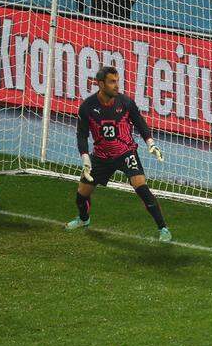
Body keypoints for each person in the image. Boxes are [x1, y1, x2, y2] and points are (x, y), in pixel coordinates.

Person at [65, 66, 171, 241]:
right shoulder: (87, 107)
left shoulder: (126, 103)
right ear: (101, 84)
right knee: (81, 196)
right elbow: (82, 134)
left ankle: (163, 229)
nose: (116, 85)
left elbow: (140, 123)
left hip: (126, 152)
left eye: (117, 81)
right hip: (100, 157)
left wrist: (151, 143)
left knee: (141, 187)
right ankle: (84, 219)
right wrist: (85, 158)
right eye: (112, 82)